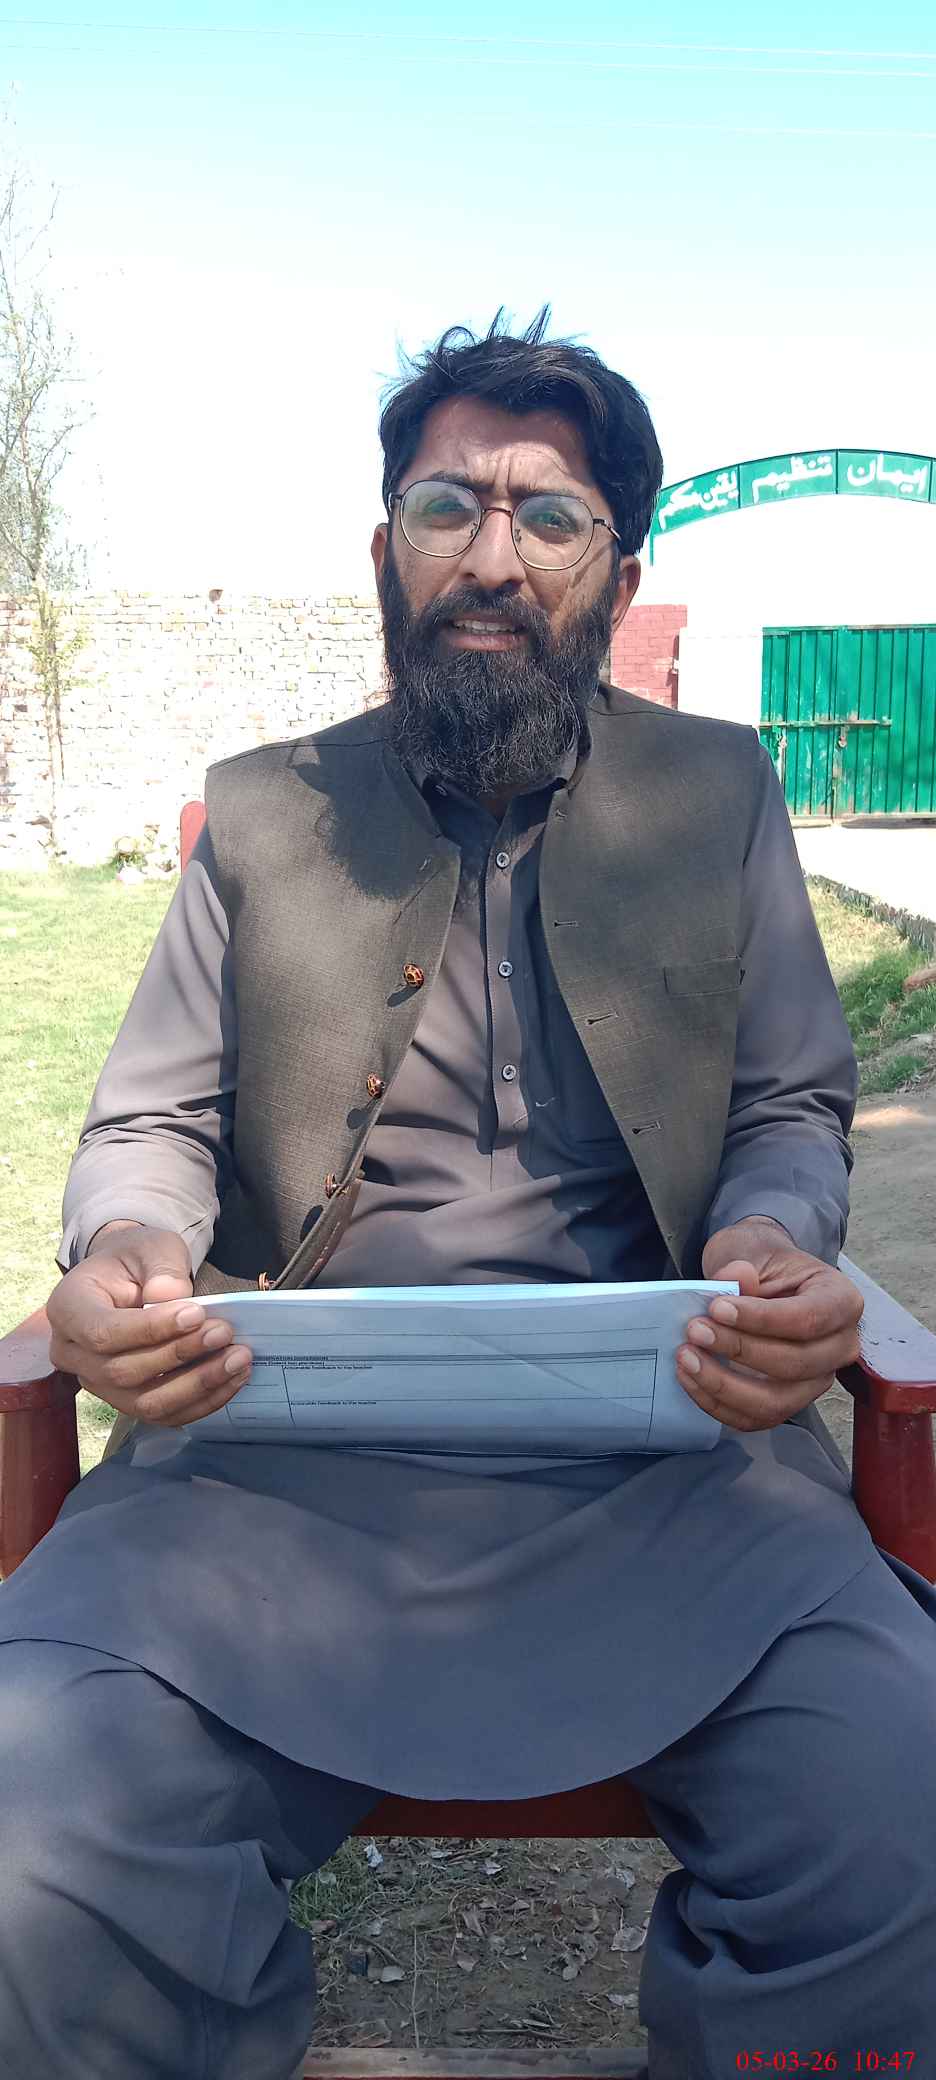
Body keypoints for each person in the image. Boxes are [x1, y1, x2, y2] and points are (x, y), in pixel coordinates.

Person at [1, 308, 935, 2080]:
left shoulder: (720, 796)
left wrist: (767, 1238)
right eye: (448, 507)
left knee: (902, 1797)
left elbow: (791, 1104)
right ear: (386, 553)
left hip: (679, 1473)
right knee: (25, 1828)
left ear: (616, 572)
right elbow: (148, 1128)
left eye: (548, 515)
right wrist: (125, 1247)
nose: (492, 558)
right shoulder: (260, 819)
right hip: (267, 1481)